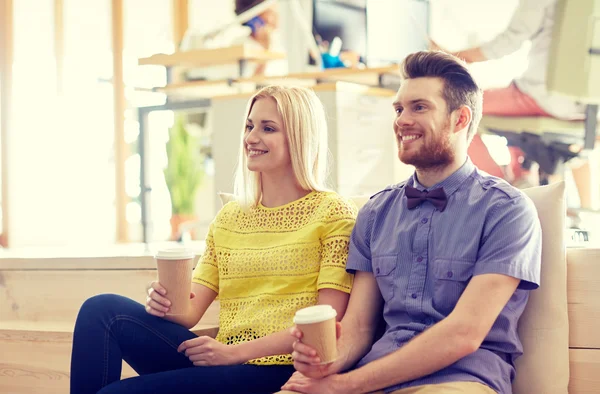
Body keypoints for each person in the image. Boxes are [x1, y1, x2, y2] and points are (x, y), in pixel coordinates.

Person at [281, 51, 542, 394]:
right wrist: (323, 363)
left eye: (419, 107)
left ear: (460, 119)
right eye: (399, 108)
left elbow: (464, 333)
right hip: (374, 377)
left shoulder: (507, 211)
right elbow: (358, 327)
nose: (402, 119)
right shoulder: (375, 213)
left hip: (462, 379)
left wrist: (346, 386)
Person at [69, 85, 358, 394]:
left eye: (267, 128)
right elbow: (189, 314)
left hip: (281, 369)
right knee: (101, 311)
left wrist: (234, 353)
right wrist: (165, 303)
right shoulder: (230, 217)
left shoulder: (333, 213)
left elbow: (327, 324)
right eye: (249, 126)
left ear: (300, 138)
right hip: (224, 361)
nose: (251, 138)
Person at [432, 0, 592, 200]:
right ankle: (522, 180)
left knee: (452, 110)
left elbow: (511, 40)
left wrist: (453, 56)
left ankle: (498, 191)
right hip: (587, 112)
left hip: (540, 97)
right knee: (513, 123)